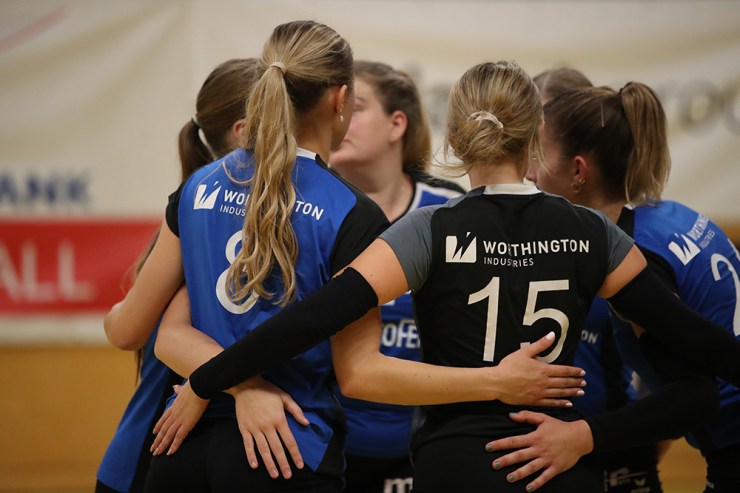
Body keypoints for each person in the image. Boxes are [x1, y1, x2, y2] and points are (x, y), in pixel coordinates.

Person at [160, 61, 740, 492]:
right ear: (535, 137)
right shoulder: (593, 232)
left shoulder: (428, 228)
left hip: (455, 464)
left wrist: (209, 380)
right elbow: (693, 338)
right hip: (556, 461)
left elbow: (311, 319)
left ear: (456, 140)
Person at [505, 79, 740, 492]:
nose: (528, 171)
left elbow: (697, 397)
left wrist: (579, 437)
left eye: (537, 155)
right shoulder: (670, 215)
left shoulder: (630, 257)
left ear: (578, 171)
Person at [97, 58, 273, 493]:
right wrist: (245, 389)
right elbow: (126, 331)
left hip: (219, 453)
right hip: (153, 452)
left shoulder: (289, 209)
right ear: (243, 131)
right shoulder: (204, 211)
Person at [328, 60, 465, 493]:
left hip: (428, 445)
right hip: (325, 445)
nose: (339, 118)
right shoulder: (308, 207)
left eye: (356, 107)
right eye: (336, 107)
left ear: (397, 124)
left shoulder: (449, 210)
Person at [532, 67, 666, 493]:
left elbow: (684, 386)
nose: (530, 164)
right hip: (535, 453)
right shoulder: (514, 231)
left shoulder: (632, 244)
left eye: (540, 146)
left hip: (610, 452)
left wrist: (618, 445)